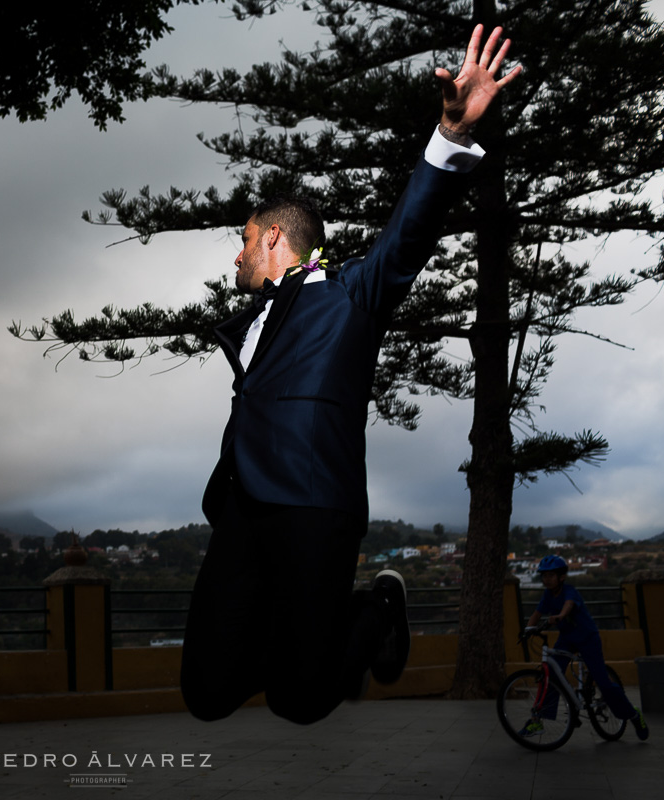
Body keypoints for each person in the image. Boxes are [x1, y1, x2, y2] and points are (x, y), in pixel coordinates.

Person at [180, 25, 521, 725]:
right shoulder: (251, 319)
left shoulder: (350, 295)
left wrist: (450, 136)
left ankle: (371, 610)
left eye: (243, 241)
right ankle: (296, 635)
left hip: (313, 501)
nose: (236, 257)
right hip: (243, 507)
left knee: (303, 702)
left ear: (274, 236)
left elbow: (409, 233)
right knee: (206, 693)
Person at [521, 555, 649, 740]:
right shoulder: (548, 595)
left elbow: (568, 605)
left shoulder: (570, 591)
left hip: (587, 638)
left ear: (562, 577)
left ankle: (633, 714)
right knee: (551, 675)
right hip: (567, 639)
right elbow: (537, 613)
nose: (546, 580)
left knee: (603, 683)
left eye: (550, 575)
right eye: (544, 576)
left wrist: (560, 616)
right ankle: (537, 720)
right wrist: (527, 630)